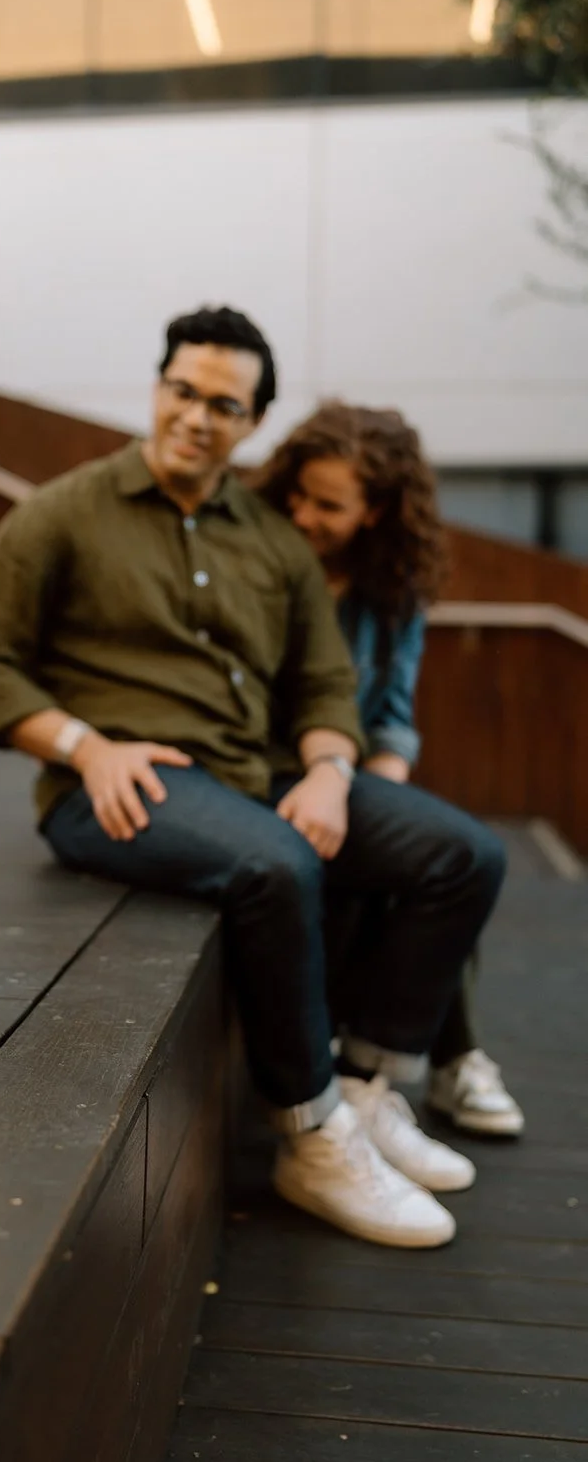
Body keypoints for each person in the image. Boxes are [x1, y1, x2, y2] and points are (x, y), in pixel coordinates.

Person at [0, 305, 506, 1250]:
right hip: (114, 786)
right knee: (279, 864)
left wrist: (328, 770)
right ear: (158, 387)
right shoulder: (60, 514)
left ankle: (364, 1090)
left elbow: (325, 681)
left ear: (253, 423)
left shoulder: (272, 540)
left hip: (253, 776)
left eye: (224, 405)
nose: (196, 416)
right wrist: (87, 746)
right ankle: (311, 1137)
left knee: (462, 855)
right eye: (183, 391)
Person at [248, 401, 524, 1138]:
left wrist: (373, 796)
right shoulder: (258, 554)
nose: (302, 515)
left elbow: (393, 715)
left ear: (375, 512)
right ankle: (447, 1057)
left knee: (431, 849)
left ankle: (376, 1078)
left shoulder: (393, 587)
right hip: (270, 771)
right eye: (297, 495)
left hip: (343, 775)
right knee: (436, 853)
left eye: (328, 506)